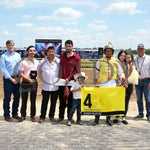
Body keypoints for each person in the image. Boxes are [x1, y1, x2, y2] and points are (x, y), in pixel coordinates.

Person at [92, 42, 125, 126]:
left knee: (110, 101)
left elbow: (120, 73)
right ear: (105, 51)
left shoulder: (116, 61)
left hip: (112, 83)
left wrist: (123, 81)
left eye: (110, 51)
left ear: (112, 52)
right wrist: (96, 82)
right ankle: (96, 119)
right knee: (100, 101)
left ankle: (108, 119)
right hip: (102, 83)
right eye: (107, 51)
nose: (108, 52)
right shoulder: (100, 61)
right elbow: (96, 72)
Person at [58, 40, 81, 122]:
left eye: (69, 46)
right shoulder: (62, 55)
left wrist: (70, 77)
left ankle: (69, 117)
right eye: (66, 46)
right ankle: (61, 116)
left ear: (72, 47)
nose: (68, 47)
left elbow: (77, 71)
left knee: (70, 101)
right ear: (65, 46)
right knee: (62, 100)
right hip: (61, 82)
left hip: (71, 82)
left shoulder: (76, 57)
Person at [0, 40, 21, 122]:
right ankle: (7, 115)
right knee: (7, 98)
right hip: (8, 80)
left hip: (17, 79)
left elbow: (19, 67)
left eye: (12, 45)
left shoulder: (17, 55)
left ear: (13, 46)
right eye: (9, 45)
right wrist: (11, 79)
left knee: (17, 98)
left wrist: (19, 78)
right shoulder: (3, 56)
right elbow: (3, 69)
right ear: (6, 46)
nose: (10, 46)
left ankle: (15, 113)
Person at [38, 46, 60, 123]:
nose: (51, 53)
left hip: (55, 86)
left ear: (55, 52)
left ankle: (51, 116)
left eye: (52, 52)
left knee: (53, 103)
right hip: (45, 86)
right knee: (44, 102)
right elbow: (38, 70)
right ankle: (42, 117)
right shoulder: (43, 61)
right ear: (46, 52)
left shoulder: (58, 61)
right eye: (49, 52)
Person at [18, 45, 39, 122]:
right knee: (24, 100)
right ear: (27, 52)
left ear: (35, 52)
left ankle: (32, 116)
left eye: (33, 51)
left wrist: (35, 78)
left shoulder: (37, 62)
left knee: (33, 100)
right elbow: (21, 73)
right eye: (30, 50)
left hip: (33, 83)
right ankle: (23, 115)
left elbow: (38, 72)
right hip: (25, 83)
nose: (32, 52)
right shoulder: (23, 62)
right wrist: (28, 79)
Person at [114, 51, 134, 125]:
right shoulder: (116, 63)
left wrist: (126, 82)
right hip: (119, 85)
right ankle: (117, 117)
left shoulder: (129, 64)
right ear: (119, 56)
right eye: (121, 55)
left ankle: (123, 117)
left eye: (124, 56)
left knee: (126, 101)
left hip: (128, 84)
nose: (123, 57)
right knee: (118, 101)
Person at [134, 44, 150, 122]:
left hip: (147, 81)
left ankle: (149, 115)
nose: (140, 50)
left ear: (144, 50)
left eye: (142, 49)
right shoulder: (135, 59)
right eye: (139, 49)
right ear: (137, 50)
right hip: (137, 81)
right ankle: (140, 113)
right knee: (139, 99)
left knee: (148, 99)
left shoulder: (148, 58)